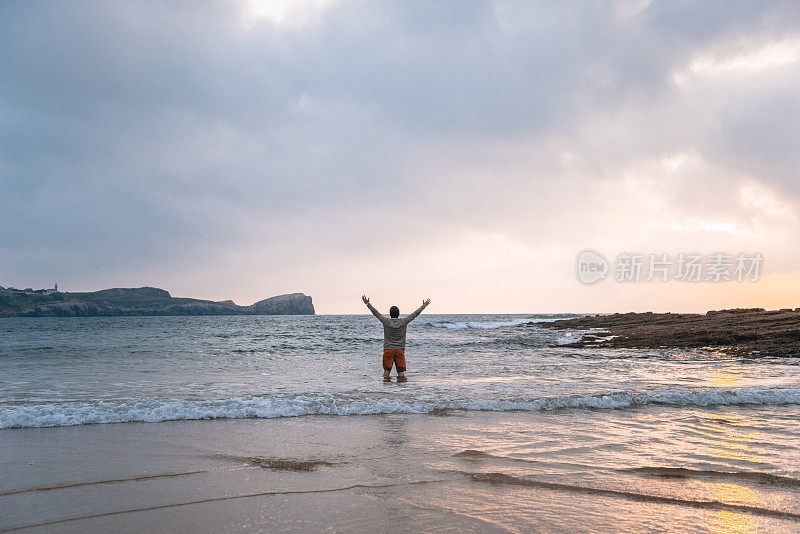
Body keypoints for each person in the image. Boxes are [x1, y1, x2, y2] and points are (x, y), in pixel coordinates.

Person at [362, 295, 431, 382]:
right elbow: (415, 314)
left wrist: (367, 304)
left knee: (386, 372)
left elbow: (376, 313)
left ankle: (386, 391)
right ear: (399, 314)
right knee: (401, 373)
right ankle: (401, 392)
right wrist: (424, 306)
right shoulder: (403, 322)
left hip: (388, 349)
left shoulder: (386, 321)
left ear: (390, 314)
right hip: (400, 350)